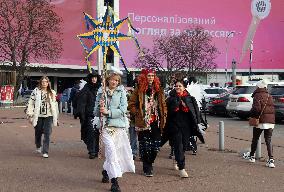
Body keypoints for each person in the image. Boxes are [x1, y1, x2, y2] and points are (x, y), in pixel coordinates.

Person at [94, 69, 135, 192]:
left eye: (117, 80)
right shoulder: (101, 91)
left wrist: (109, 112)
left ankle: (106, 171)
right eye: (113, 79)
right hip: (106, 127)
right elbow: (95, 112)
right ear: (108, 79)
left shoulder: (121, 92)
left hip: (119, 127)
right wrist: (99, 107)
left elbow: (123, 110)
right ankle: (115, 182)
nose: (115, 82)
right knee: (111, 152)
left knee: (115, 153)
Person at [128, 68, 167, 177]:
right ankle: (147, 167)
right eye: (148, 76)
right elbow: (131, 104)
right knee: (145, 145)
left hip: (156, 121)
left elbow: (163, 104)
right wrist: (137, 113)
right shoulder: (139, 89)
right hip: (143, 121)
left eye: (152, 76)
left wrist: (164, 114)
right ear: (144, 77)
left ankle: (150, 162)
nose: (150, 78)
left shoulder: (159, 90)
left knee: (156, 146)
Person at [164, 79, 204, 178]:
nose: (177, 87)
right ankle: (182, 168)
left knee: (184, 146)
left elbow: (196, 112)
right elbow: (167, 113)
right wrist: (176, 106)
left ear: (184, 87)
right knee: (179, 145)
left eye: (180, 86)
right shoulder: (170, 98)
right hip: (174, 126)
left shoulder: (190, 98)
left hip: (186, 126)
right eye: (176, 86)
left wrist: (199, 122)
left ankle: (176, 159)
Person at [243, 80, 276, 168]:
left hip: (260, 121)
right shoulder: (270, 95)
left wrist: (251, 115)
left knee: (255, 139)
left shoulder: (257, 95)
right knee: (268, 140)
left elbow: (256, 109)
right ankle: (271, 160)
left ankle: (252, 156)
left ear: (258, 87)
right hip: (270, 121)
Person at [26, 76, 59, 158]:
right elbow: (30, 103)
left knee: (47, 133)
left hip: (49, 116)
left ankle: (45, 151)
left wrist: (56, 118)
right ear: (40, 83)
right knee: (38, 132)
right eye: (43, 82)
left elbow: (55, 106)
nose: (44, 83)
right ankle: (38, 145)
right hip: (38, 115)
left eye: (46, 82)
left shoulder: (52, 92)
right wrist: (30, 115)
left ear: (48, 83)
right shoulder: (36, 91)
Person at [76, 72, 101, 159]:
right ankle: (92, 151)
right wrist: (81, 114)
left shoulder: (100, 88)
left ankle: (96, 150)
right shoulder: (86, 88)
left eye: (95, 78)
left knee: (97, 133)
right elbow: (81, 102)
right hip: (89, 115)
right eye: (92, 78)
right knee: (90, 132)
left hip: (98, 115)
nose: (94, 79)